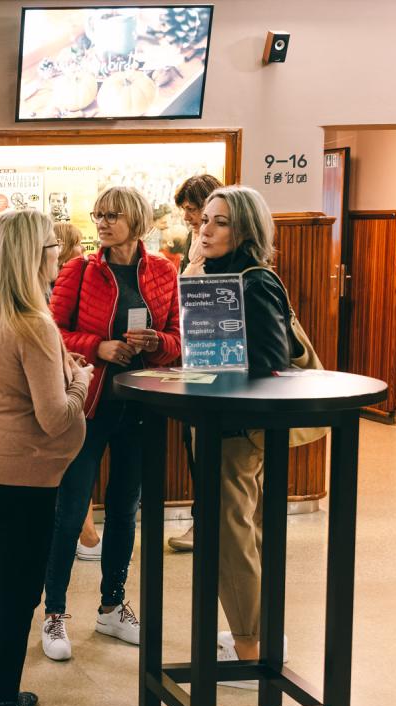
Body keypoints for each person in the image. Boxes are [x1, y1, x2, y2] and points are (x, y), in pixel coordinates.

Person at [0, 209, 91, 706]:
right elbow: (55, 417)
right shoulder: (33, 323)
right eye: (53, 246)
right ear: (36, 256)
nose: (60, 254)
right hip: (21, 476)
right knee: (18, 595)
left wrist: (60, 370)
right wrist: (80, 381)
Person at [40, 186, 181, 661]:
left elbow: (178, 338)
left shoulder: (163, 271)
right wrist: (98, 347)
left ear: (136, 220)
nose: (101, 223)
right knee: (69, 510)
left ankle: (112, 606)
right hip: (89, 406)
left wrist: (156, 342)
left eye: (111, 215)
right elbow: (52, 333)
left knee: (124, 510)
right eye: (98, 215)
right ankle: (54, 612)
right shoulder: (79, 270)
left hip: (140, 406)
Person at [197, 185, 293, 684]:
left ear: (246, 230)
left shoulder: (253, 283)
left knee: (230, 537)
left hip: (238, 429)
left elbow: (273, 363)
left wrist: (223, 370)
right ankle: (255, 638)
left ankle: (250, 649)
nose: (205, 229)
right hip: (224, 425)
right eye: (204, 219)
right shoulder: (217, 275)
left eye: (220, 222)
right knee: (239, 531)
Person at [166, 173, 222, 553]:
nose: (187, 217)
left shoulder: (216, 249)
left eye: (191, 209)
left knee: (209, 448)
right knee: (196, 444)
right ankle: (204, 522)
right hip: (196, 355)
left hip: (215, 358)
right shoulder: (195, 241)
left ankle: (206, 524)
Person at [53, 223, 102, 562]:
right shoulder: (64, 287)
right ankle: (86, 536)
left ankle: (82, 535)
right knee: (76, 466)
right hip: (67, 392)